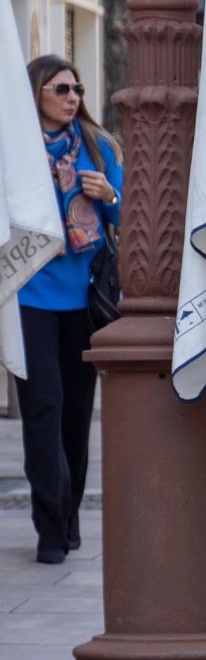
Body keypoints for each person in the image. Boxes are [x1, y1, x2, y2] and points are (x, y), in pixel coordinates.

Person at [16, 56, 122, 566]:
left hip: (83, 300)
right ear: (36, 92)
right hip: (28, 297)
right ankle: (50, 526)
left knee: (77, 415)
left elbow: (128, 215)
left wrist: (110, 194)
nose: (72, 96)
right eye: (61, 88)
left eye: (77, 87)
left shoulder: (97, 149)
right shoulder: (14, 152)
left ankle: (69, 512)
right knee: (43, 409)